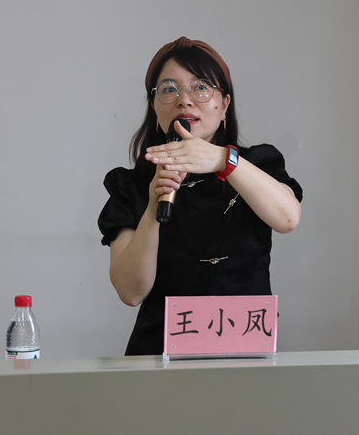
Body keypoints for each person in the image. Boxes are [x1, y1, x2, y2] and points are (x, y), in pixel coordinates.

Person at [98, 36, 303, 355]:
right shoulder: (131, 185)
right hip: (158, 360)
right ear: (154, 106)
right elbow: (130, 292)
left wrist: (225, 161)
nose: (185, 100)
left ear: (224, 105)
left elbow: (288, 218)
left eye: (201, 87)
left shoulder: (257, 165)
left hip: (245, 357)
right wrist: (153, 206)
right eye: (169, 89)